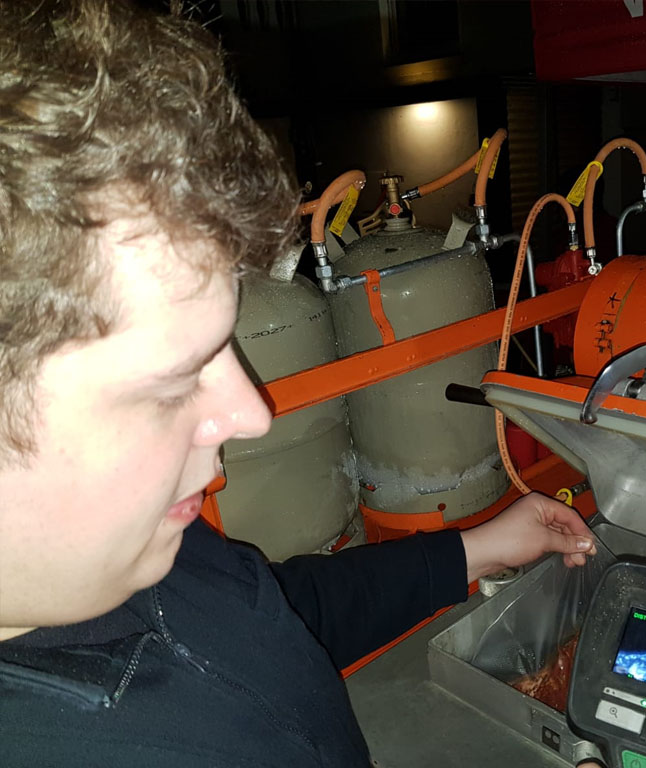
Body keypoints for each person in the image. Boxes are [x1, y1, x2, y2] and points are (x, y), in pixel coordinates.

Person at [0, 1, 596, 764]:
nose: (253, 414)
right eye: (171, 382)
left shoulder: (134, 547)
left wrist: (474, 550)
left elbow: (268, 608)